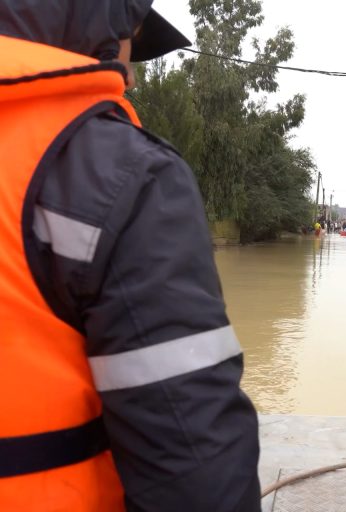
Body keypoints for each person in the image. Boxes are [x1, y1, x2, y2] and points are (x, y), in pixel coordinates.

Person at [0, 1, 261, 511]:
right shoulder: (119, 177)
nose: (133, 78)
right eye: (132, 44)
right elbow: (196, 477)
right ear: (97, 27)